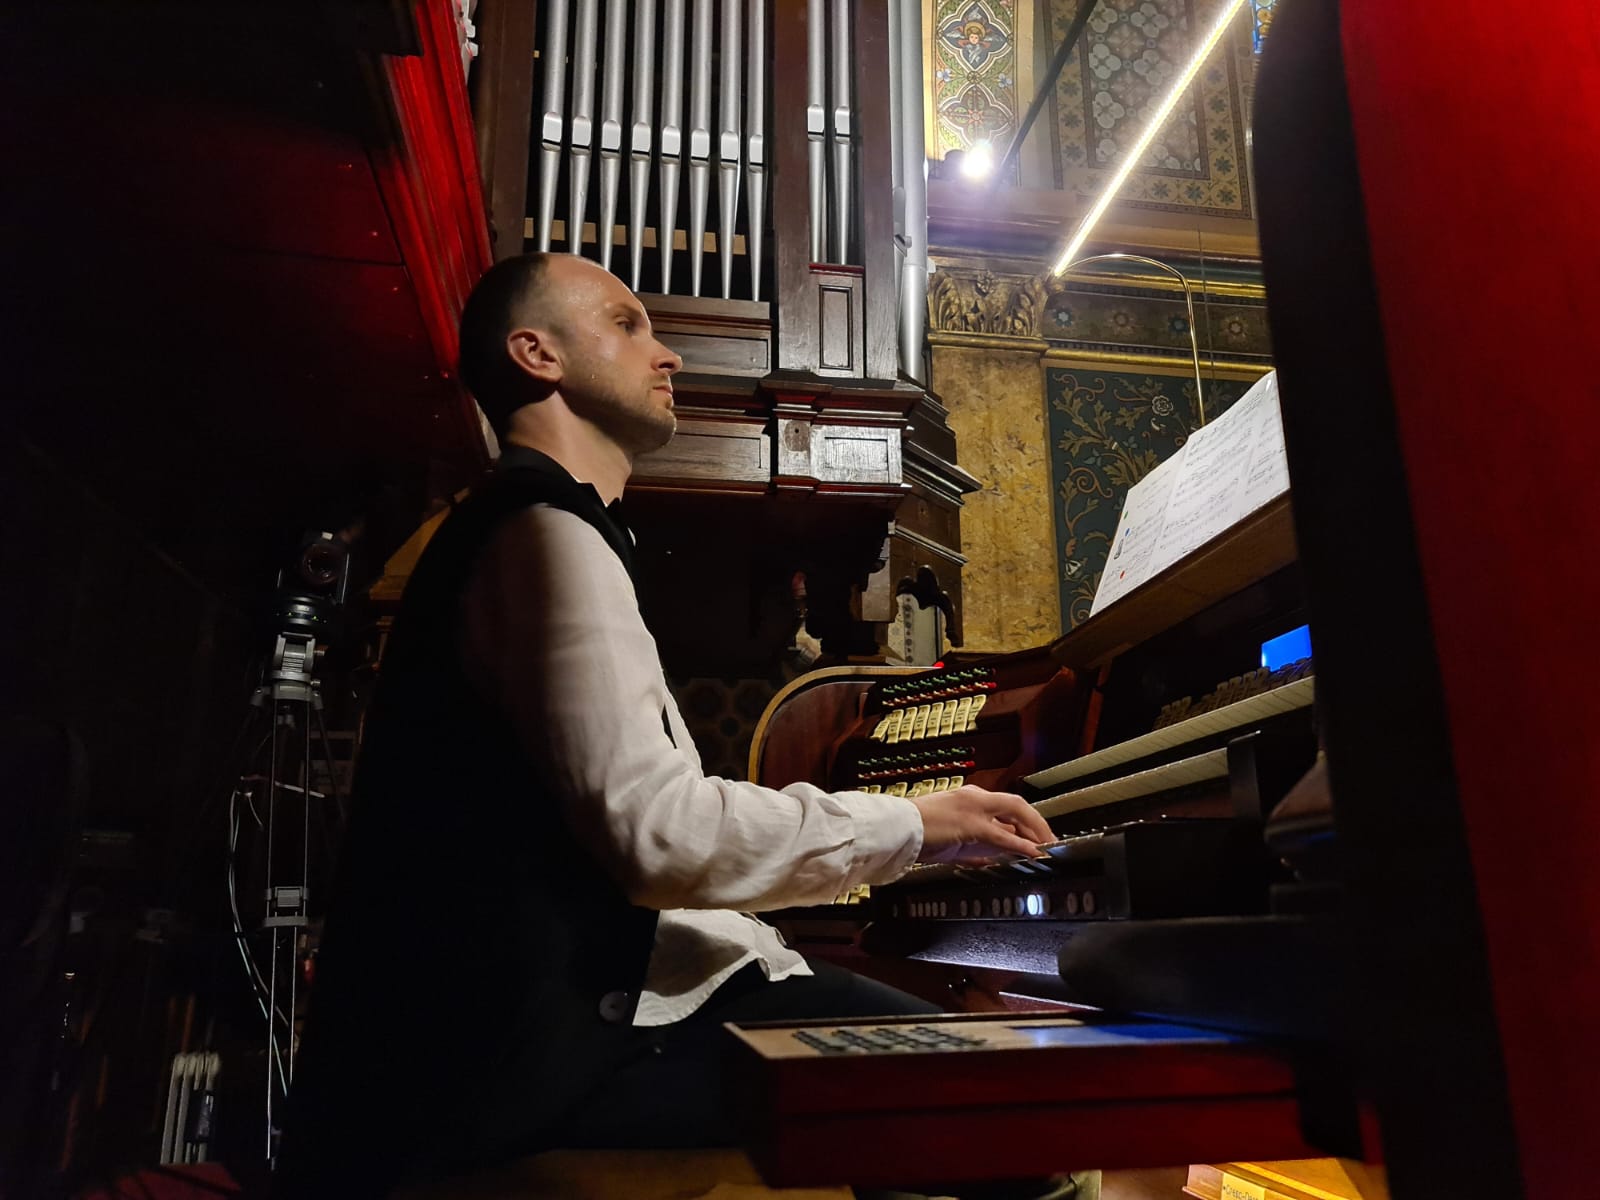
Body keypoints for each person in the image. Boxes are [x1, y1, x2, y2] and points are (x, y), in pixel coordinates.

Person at [274, 252, 1055, 1198]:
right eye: (626, 323)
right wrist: (916, 822)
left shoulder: (536, 529)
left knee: (935, 1079)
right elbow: (661, 837)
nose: (670, 353)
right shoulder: (543, 534)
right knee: (1020, 1107)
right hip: (523, 1068)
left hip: (524, 1036)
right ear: (537, 354)